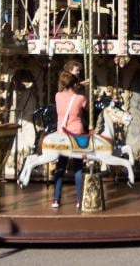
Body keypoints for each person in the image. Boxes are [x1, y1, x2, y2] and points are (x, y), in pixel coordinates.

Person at [52, 70, 87, 209]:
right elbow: (87, 108)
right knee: (78, 167)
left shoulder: (57, 96)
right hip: (76, 134)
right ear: (75, 83)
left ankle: (56, 199)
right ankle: (79, 199)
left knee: (61, 166)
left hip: (62, 135)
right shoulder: (80, 98)